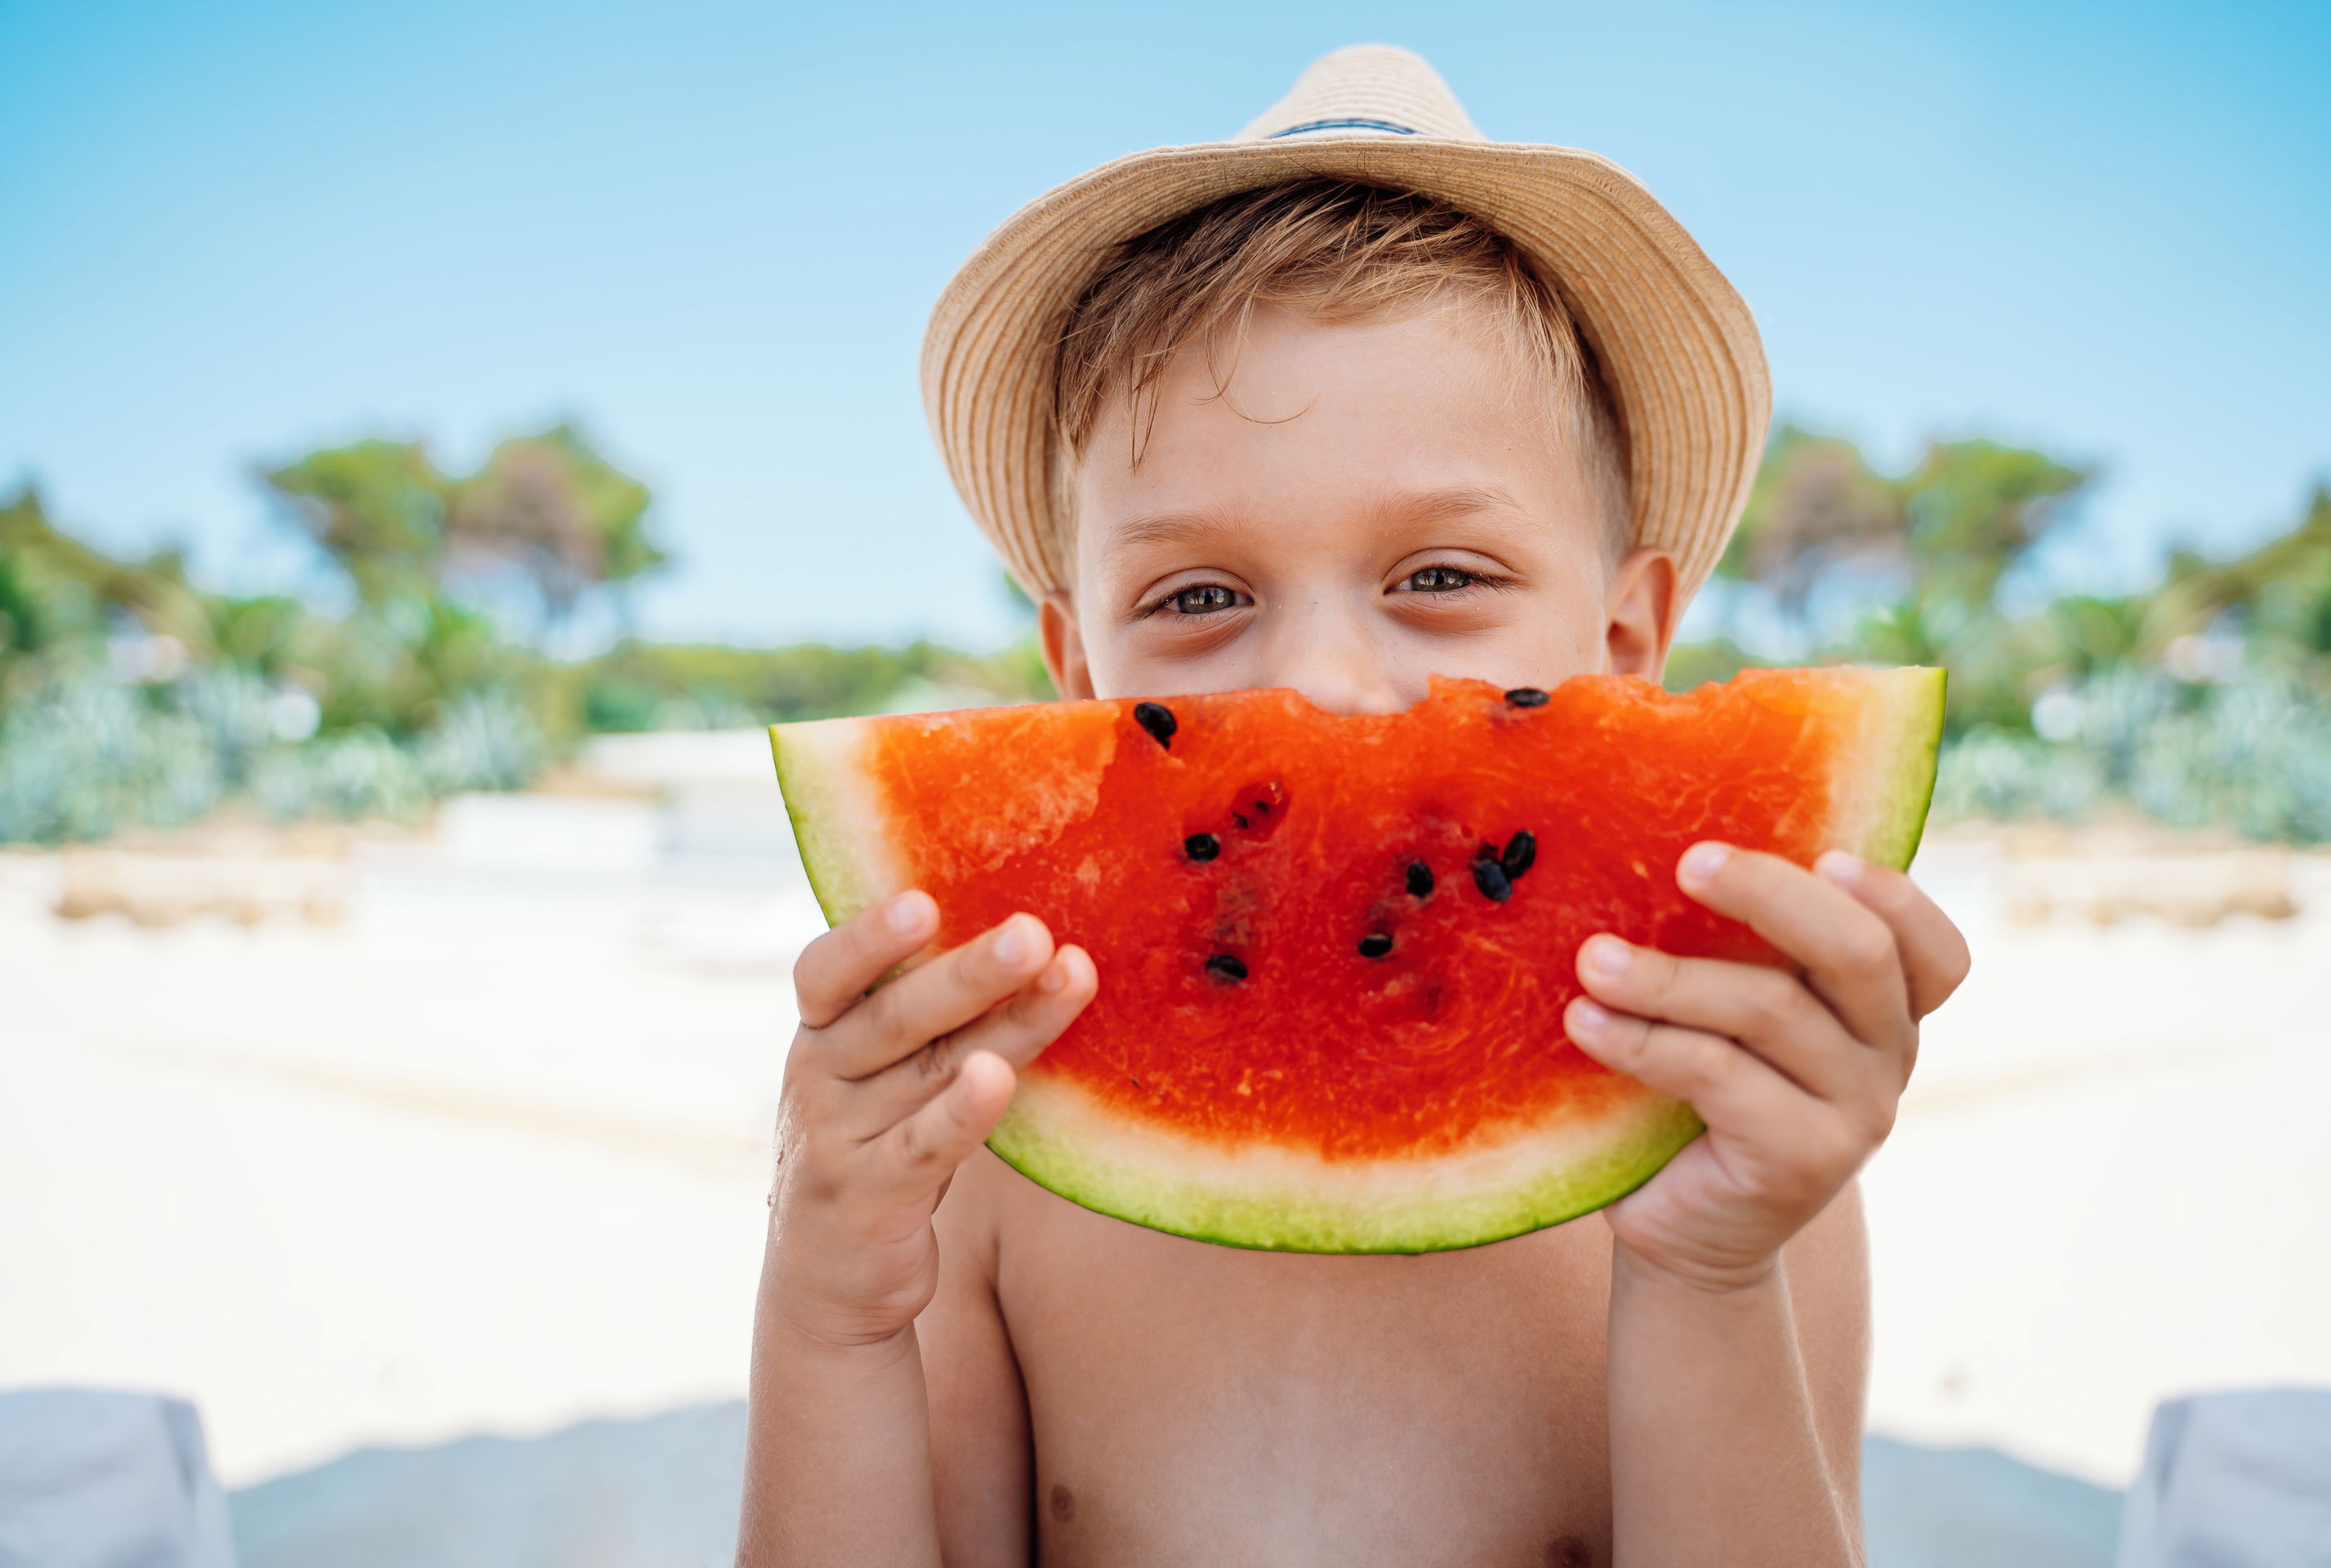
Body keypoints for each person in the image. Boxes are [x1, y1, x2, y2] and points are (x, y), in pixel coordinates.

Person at [739, 45, 1969, 1566]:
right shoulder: (987, 1154)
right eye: (1198, 595)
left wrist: (1710, 1279)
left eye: (1441, 577)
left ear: (1630, 645)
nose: (1322, 684)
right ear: (1077, 674)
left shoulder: (1732, 1136)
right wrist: (828, 1312)